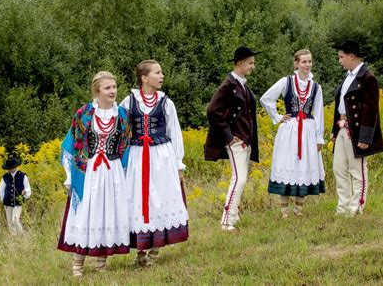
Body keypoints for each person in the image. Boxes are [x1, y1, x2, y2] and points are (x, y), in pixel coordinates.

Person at [57, 71, 132, 276]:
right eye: (108, 88)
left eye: (115, 87)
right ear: (97, 90)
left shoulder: (122, 114)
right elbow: (70, 147)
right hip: (89, 170)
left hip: (113, 170)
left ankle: (101, 264)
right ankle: (77, 265)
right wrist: (69, 176)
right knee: (85, 212)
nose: (113, 91)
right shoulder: (85, 113)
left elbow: (127, 147)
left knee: (107, 212)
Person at [120, 59, 189, 266]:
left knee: (161, 198)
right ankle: (140, 253)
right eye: (157, 73)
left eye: (161, 73)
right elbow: (119, 129)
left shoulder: (166, 102)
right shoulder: (129, 101)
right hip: (138, 156)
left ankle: (155, 252)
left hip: (162, 157)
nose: (162, 76)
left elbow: (174, 133)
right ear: (144, 78)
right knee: (140, 200)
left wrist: (179, 163)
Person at [260, 49, 325, 218]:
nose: (307, 65)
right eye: (304, 62)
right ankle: (284, 212)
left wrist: (319, 138)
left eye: (310, 61)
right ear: (296, 63)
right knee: (288, 165)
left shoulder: (316, 87)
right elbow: (266, 98)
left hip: (308, 131)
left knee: (304, 167)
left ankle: (298, 210)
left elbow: (318, 113)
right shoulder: (286, 81)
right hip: (289, 130)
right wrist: (278, 116)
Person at [204, 45, 260, 231]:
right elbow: (212, 110)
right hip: (235, 141)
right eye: (250, 63)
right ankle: (227, 220)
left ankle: (233, 217)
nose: (253, 66)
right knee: (239, 179)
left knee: (241, 178)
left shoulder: (241, 83)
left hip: (245, 140)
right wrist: (228, 136)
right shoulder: (228, 84)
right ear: (240, 63)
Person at [331, 39, 383, 215]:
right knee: (339, 168)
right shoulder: (348, 76)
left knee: (357, 170)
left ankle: (356, 208)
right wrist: (334, 130)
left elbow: (371, 110)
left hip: (357, 130)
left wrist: (365, 137)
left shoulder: (368, 77)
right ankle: (343, 207)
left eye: (341, 57)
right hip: (342, 127)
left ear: (352, 56)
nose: (339, 60)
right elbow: (340, 105)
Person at [0, 157, 31, 236]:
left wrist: (25, 191)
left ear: (15, 167)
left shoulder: (23, 176)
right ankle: (14, 238)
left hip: (18, 202)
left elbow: (28, 187)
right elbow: (1, 189)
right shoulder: (5, 176)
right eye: (8, 168)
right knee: (10, 222)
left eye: (10, 168)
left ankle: (21, 236)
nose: (8, 170)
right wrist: (0, 199)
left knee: (15, 220)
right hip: (7, 202)